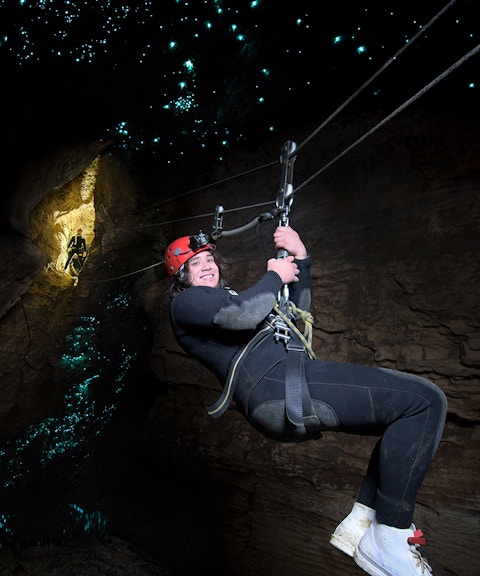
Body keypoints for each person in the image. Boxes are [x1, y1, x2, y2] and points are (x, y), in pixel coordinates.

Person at [164, 225, 447, 576]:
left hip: (285, 382)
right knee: (424, 402)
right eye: (194, 264)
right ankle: (390, 535)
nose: (206, 266)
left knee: (406, 412)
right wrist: (273, 275)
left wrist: (301, 259)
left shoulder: (224, 298)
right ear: (181, 277)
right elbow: (242, 314)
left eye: (209, 259)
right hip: (276, 386)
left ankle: (365, 521)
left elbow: (297, 317)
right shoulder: (185, 304)